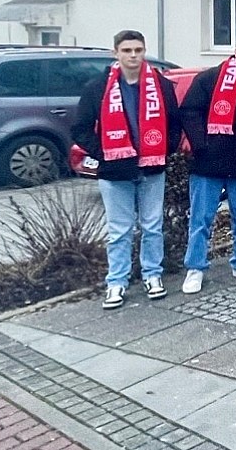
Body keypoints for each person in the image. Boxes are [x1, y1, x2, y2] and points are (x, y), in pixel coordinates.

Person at [72, 30, 181, 309]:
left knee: (152, 226)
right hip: (114, 172)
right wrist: (106, 154)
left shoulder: (161, 85)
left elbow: (174, 124)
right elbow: (80, 130)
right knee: (120, 230)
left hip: (152, 168)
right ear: (115, 53)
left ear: (144, 52)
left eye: (138, 50)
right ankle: (116, 282)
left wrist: (163, 151)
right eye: (127, 50)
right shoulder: (98, 87)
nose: (133, 55)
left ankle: (152, 276)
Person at [180, 32, 236, 293]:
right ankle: (195, 268)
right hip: (209, 163)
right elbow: (189, 111)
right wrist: (201, 145)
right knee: (201, 219)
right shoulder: (210, 78)